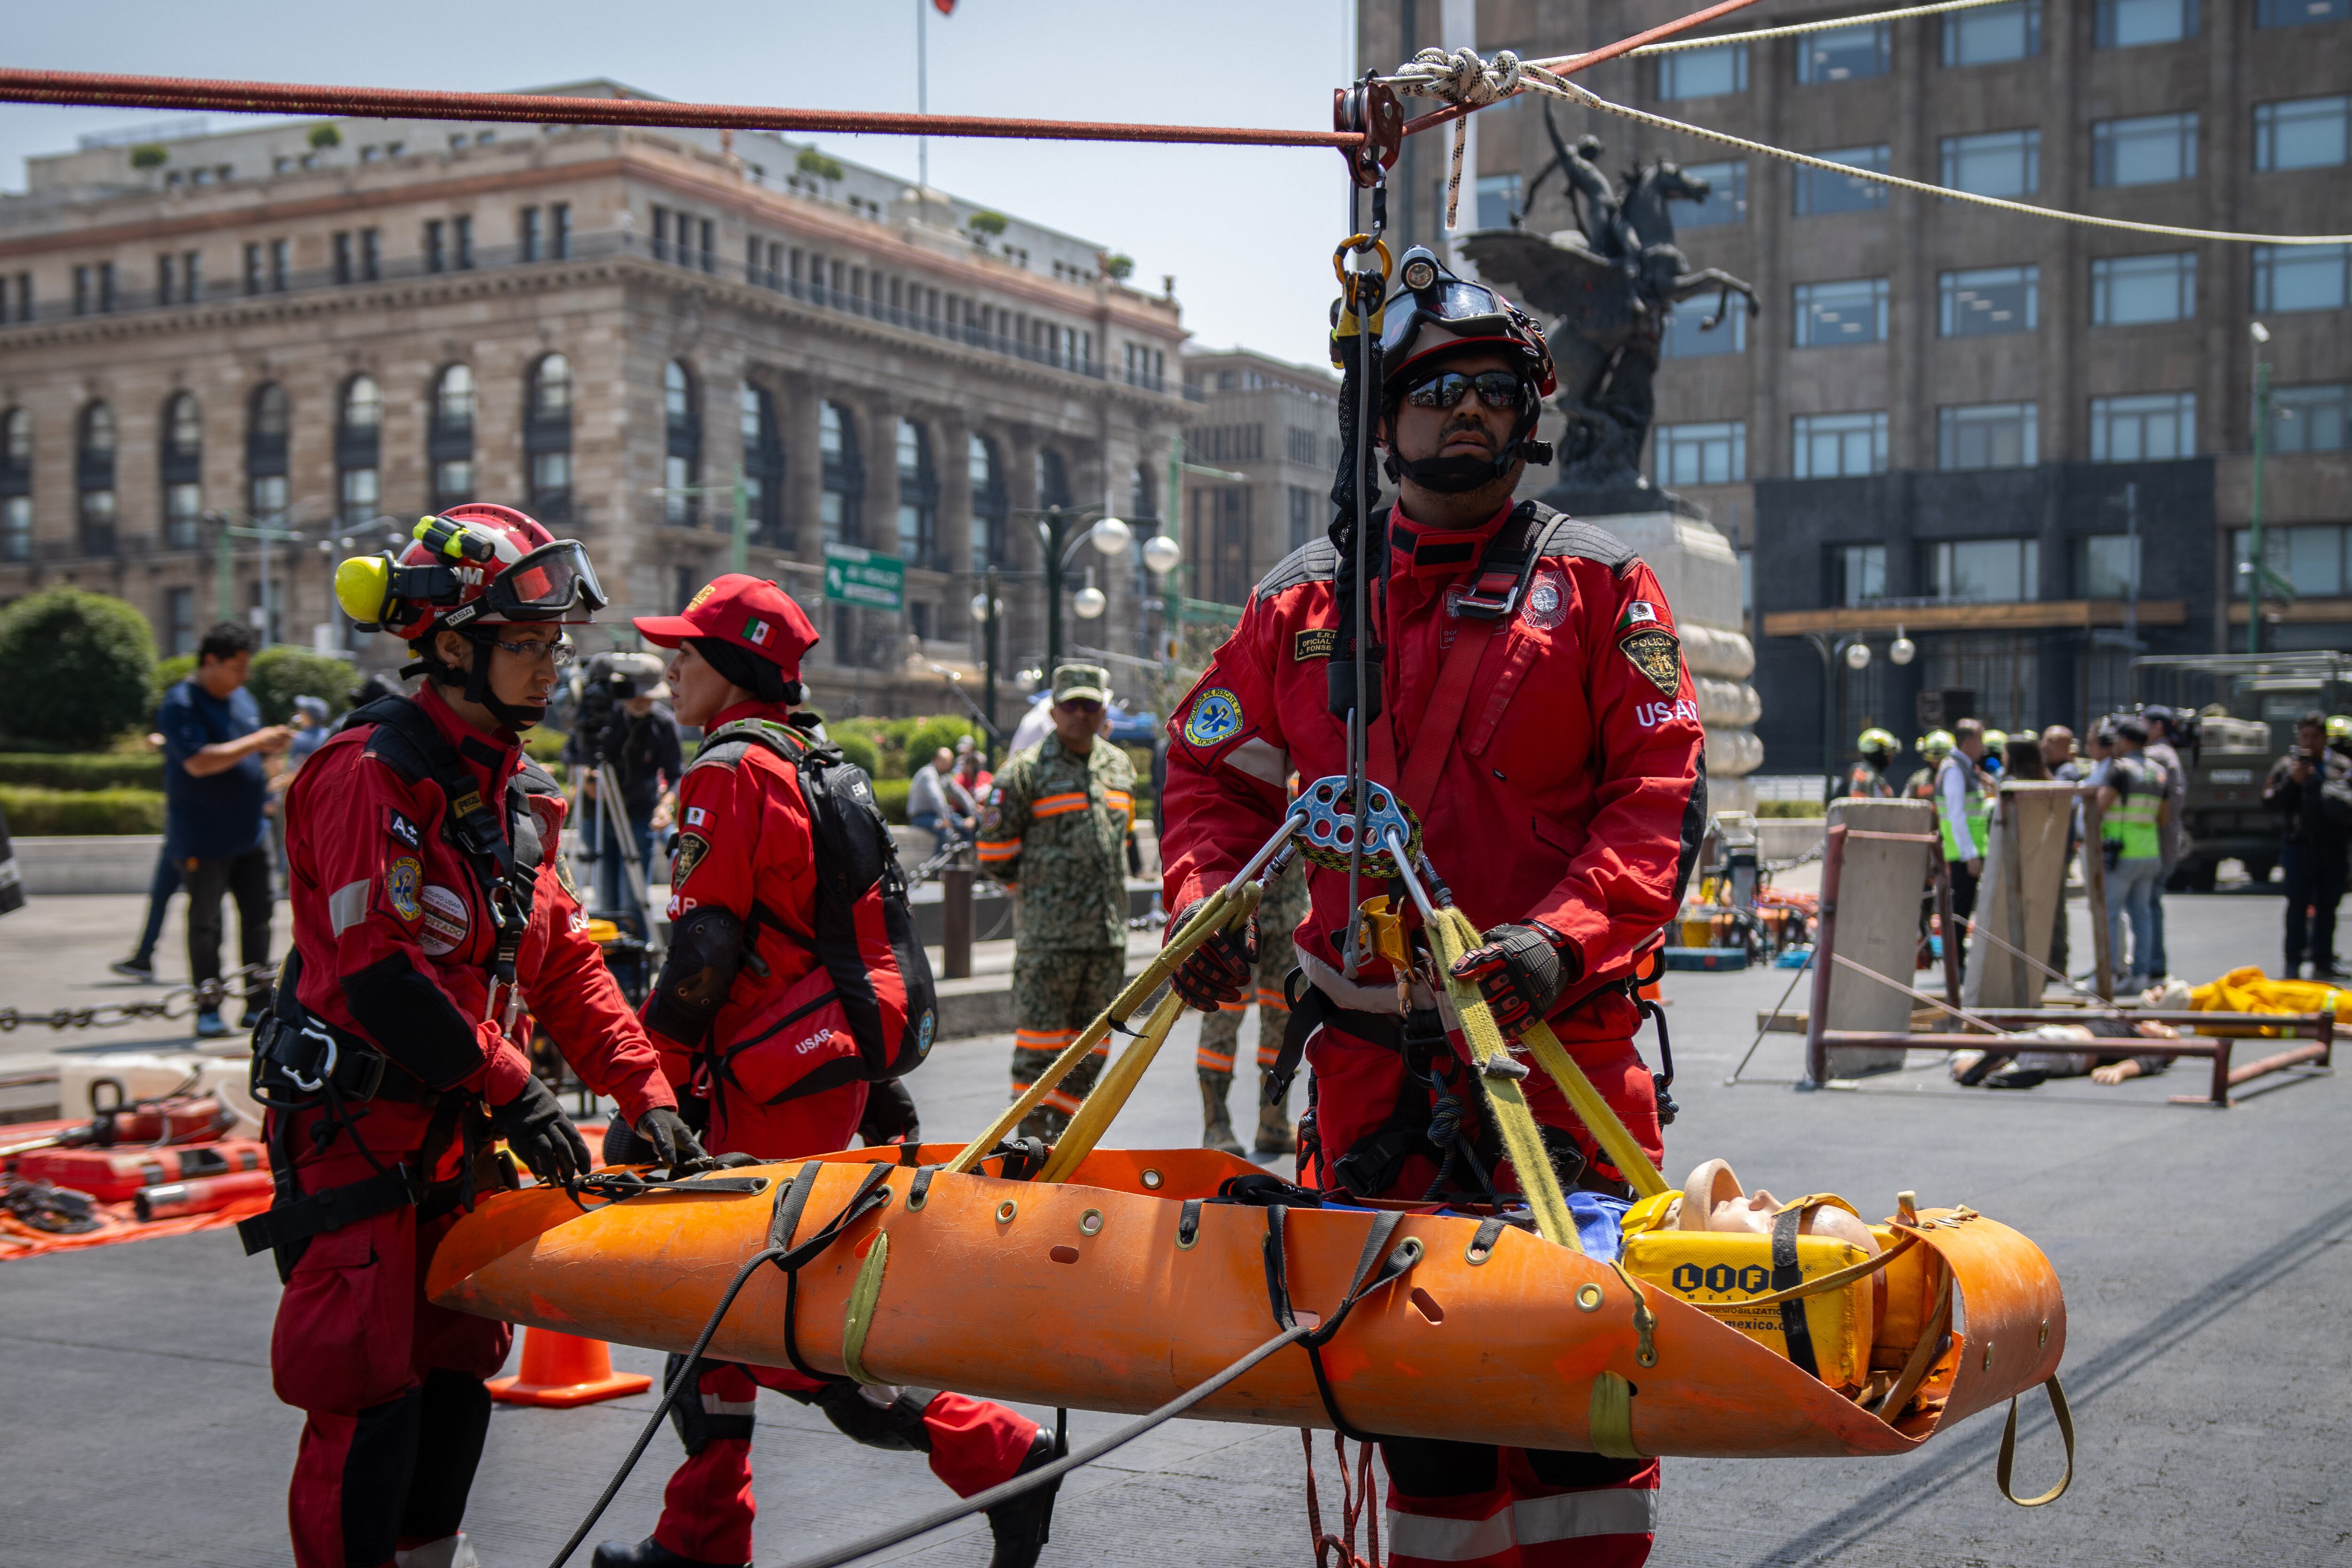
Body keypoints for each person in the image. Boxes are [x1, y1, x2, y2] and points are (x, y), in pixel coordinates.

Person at [1160, 247, 1695, 1568]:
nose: (1469, 413)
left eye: (1496, 392)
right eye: (1440, 388)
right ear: (1381, 416)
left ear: (1530, 416)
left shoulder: (1601, 590)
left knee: (1584, 1400)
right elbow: (1207, 771)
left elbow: (1659, 797)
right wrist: (1205, 907)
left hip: (1555, 1060)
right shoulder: (1297, 607)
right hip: (1369, 1071)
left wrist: (1557, 940)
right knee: (1421, 1402)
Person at [246, 505, 698, 1568]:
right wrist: (517, 1090)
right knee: (366, 1394)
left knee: (458, 1377)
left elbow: (565, 963)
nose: (552, 671)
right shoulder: (369, 773)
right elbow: (378, 973)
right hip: (360, 1132)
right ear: (451, 646)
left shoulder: (517, 793)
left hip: (459, 1139)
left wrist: (650, 1094)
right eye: (527, 646)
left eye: (554, 647)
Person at [593, 574, 1053, 1568]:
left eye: (689, 651)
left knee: (765, 1316)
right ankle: (702, 1534)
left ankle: (1000, 1448)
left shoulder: (727, 769)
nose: (671, 666)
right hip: (817, 1066)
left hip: (757, 1084)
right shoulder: (816, 761)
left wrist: (646, 1086)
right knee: (716, 1316)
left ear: (737, 667)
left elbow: (705, 950)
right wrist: (874, 1077)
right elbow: (838, 933)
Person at [977, 663, 1136, 1143]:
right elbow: (993, 851)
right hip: (1048, 940)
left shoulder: (1119, 768)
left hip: (1106, 937)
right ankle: (1027, 1140)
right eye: (1071, 706)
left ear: (1103, 710)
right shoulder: (1024, 771)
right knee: (1039, 1048)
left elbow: (1120, 844)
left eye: (1090, 705)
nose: (1080, 715)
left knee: (1093, 1046)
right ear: (1053, 710)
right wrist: (1039, 896)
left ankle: (1063, 1137)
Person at [158, 621, 293, 1037]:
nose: (244, 676)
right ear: (210, 661)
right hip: (203, 836)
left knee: (259, 919)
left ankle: (255, 1004)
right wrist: (256, 742)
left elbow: (252, 752)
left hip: (251, 833)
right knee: (206, 924)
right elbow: (198, 762)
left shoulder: (242, 698)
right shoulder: (181, 703)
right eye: (237, 667)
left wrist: (271, 753)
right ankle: (208, 1007)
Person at [1194, 845, 1308, 1156]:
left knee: (1285, 1023)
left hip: (1292, 919)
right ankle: (1216, 1124)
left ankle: (1273, 1122)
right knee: (1223, 1016)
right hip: (1239, 916)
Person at [570, 652, 683, 923]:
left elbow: (676, 774)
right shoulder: (600, 719)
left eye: (649, 695)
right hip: (595, 815)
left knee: (633, 898)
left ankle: (636, 961)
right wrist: (587, 779)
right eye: (635, 694)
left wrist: (665, 806)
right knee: (607, 898)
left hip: (638, 815)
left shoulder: (663, 723)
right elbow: (574, 757)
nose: (641, 701)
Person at [2264, 711, 2352, 979]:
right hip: (2299, 849)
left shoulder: (2341, 766)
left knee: (2328, 907)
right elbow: (2269, 801)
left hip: (2334, 849)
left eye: (2315, 737)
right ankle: (2293, 961)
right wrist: (2293, 782)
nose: (2310, 742)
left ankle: (2322, 959)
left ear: (2325, 738)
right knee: (2297, 907)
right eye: (2305, 736)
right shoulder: (2287, 766)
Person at [2098, 717, 2169, 993]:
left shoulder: (2120, 769)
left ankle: (2113, 975)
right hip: (2150, 851)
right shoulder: (2158, 772)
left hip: (2121, 852)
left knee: (2111, 914)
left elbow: (2100, 807)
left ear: (2126, 742)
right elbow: (2163, 818)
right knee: (2143, 916)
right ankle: (2142, 976)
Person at [1936, 719, 1992, 971]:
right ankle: (1955, 965)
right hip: (1962, 853)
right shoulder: (1954, 769)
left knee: (1964, 909)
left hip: (1967, 851)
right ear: (1969, 742)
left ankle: (1957, 963)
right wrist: (1970, 855)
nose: (1984, 746)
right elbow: (1957, 815)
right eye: (1981, 740)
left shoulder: (1965, 768)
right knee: (1960, 911)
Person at [2140, 705, 2190, 984]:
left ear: (2157, 727)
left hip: (2156, 844)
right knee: (2149, 904)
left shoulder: (2156, 756)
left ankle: (2152, 964)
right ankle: (2151, 963)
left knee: (2148, 905)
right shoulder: (2167, 755)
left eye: (2142, 724)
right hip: (2163, 843)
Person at [2042, 727, 2084, 982]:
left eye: (2051, 743)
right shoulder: (2056, 769)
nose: (2044, 747)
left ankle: (2057, 963)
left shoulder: (2068, 771)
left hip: (2059, 850)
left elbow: (2058, 799)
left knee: (2055, 909)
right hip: (2051, 848)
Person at [908, 745, 956, 841]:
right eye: (945, 762)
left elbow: (960, 793)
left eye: (950, 762)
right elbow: (936, 796)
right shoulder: (929, 774)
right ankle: (941, 857)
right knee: (946, 831)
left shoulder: (944, 776)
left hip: (934, 815)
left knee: (961, 823)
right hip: (921, 817)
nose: (948, 765)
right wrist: (945, 817)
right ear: (935, 760)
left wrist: (973, 811)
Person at [1837, 728, 1899, 800]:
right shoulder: (1872, 777)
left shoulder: (1859, 771)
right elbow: (1876, 806)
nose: (1890, 759)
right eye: (1888, 754)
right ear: (1877, 755)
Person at [1903, 730, 1952, 802]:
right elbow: (1904, 805)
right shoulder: (1918, 780)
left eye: (1940, 760)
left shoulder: (1957, 777)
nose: (1936, 763)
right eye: (1932, 759)